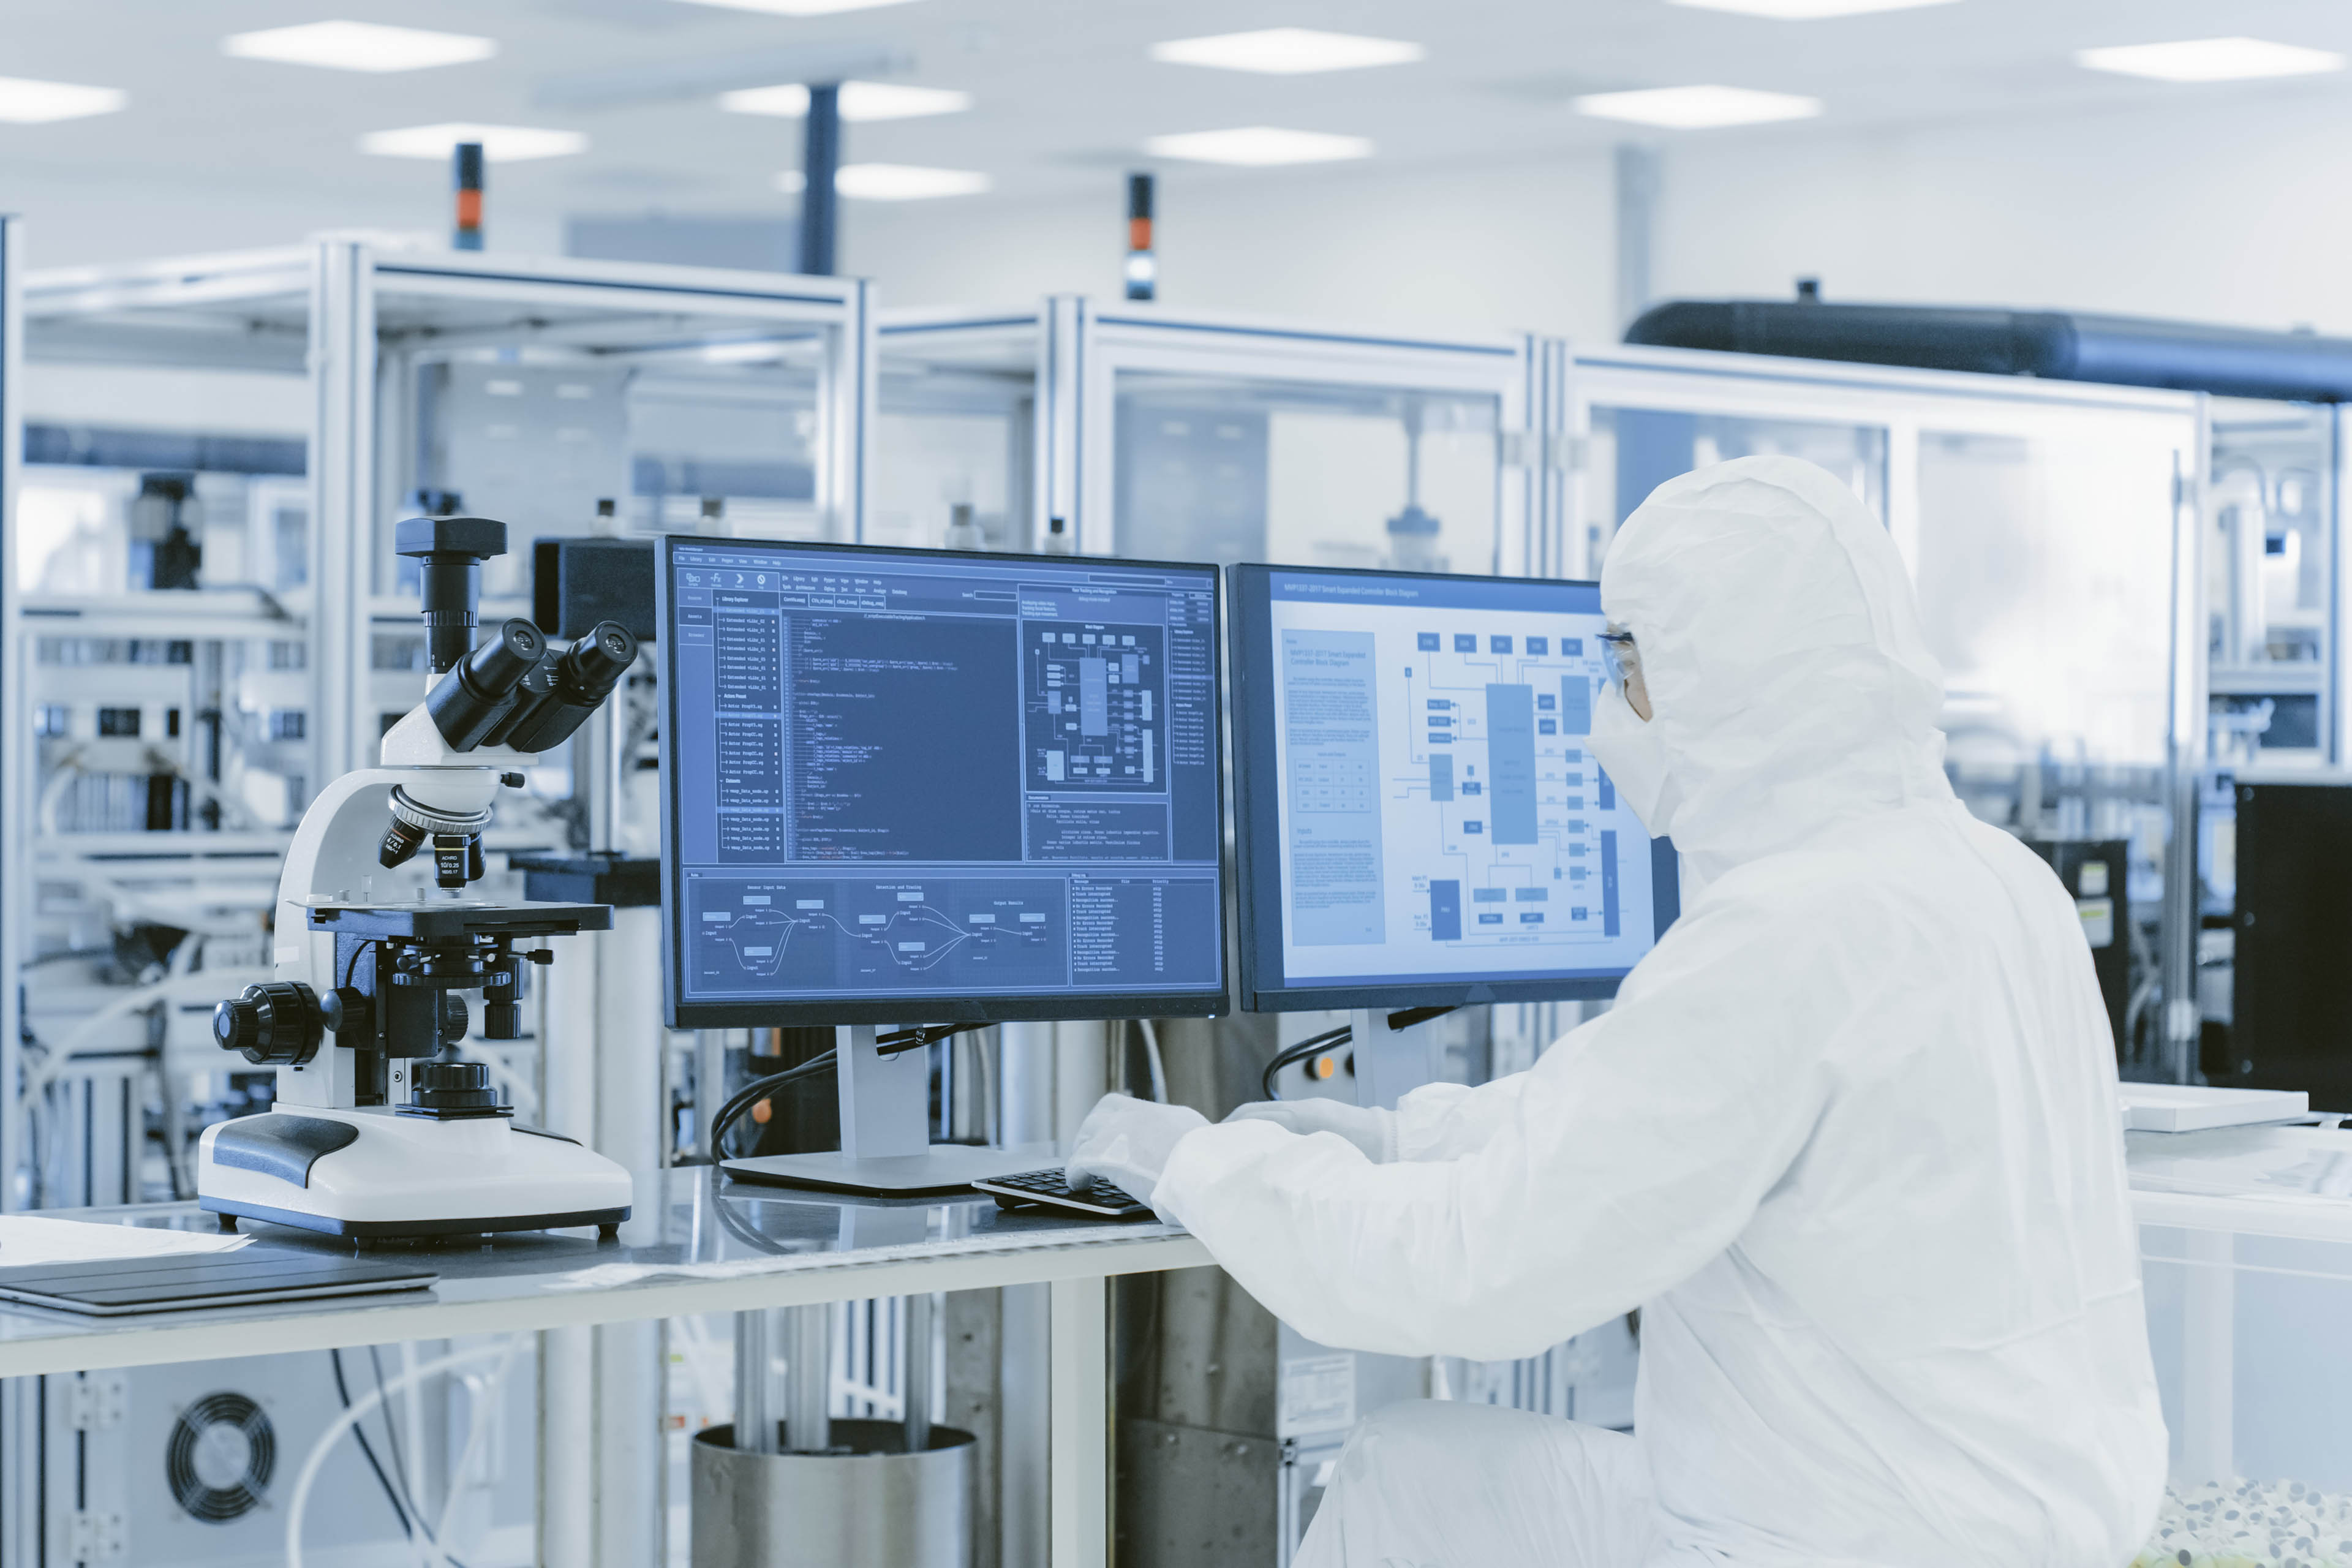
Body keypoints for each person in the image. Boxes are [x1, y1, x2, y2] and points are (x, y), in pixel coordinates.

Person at [1066, 455, 2165, 1567]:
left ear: (1731, 678)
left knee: (1419, 1477)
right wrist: (1398, 1138)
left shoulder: (1791, 930)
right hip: (1991, 1525)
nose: (1611, 714)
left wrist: (1199, 1167)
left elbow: (1471, 1273)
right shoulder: (1996, 878)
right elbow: (1628, 1112)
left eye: (1632, 670)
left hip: (1837, 1542)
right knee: (1414, 1470)